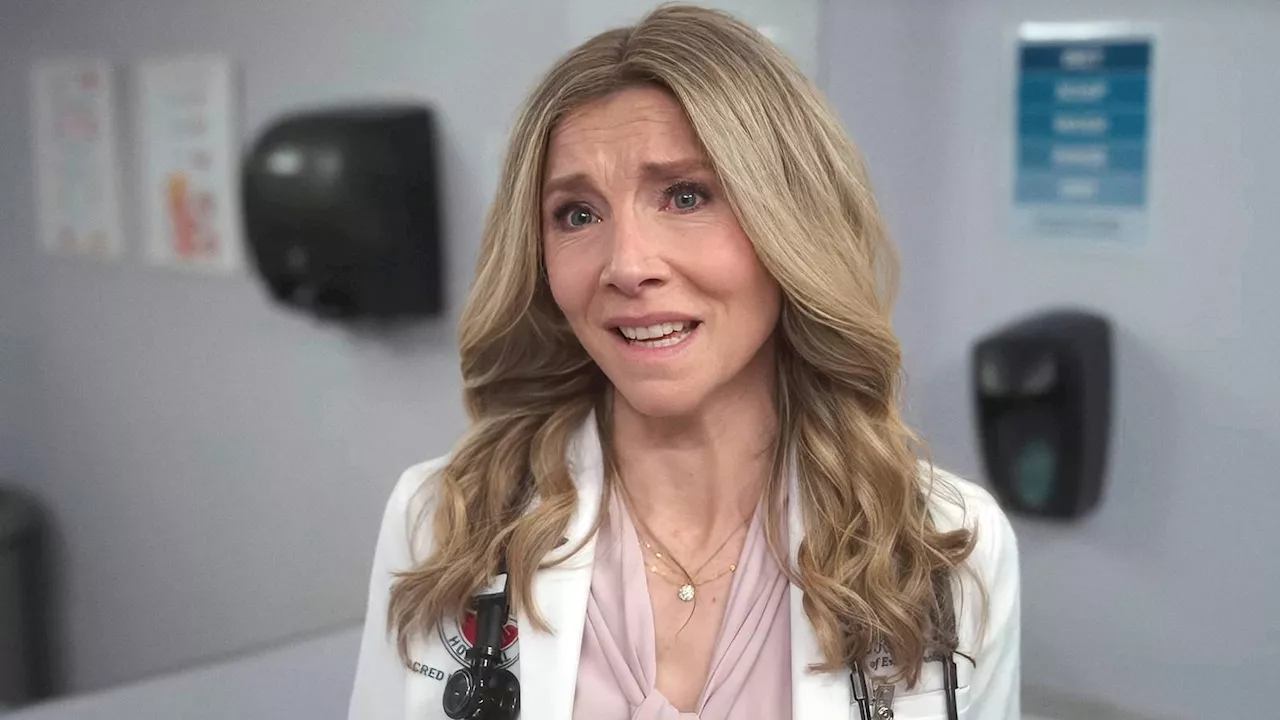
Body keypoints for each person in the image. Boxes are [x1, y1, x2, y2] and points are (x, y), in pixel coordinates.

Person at [349, 5, 1019, 719]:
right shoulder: (440, 521)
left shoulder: (949, 546)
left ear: (792, 224)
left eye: (686, 196)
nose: (626, 265)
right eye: (577, 214)